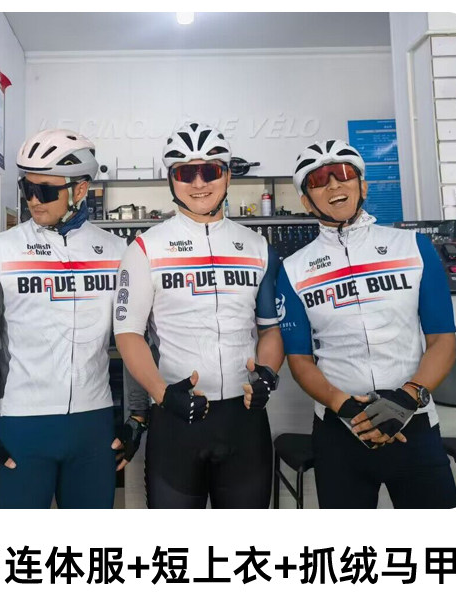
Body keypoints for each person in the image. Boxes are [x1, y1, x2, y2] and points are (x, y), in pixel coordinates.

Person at [0, 128, 148, 509]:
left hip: (93, 426)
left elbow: (133, 337)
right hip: (23, 426)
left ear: (80, 190)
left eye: (45, 191)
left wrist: (139, 415)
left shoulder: (118, 252)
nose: (33, 199)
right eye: (26, 188)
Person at [275, 138, 456, 508]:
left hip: (414, 422)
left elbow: (442, 340)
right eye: (318, 180)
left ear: (362, 185)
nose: (333, 184)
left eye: (343, 173)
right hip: (340, 429)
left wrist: (407, 398)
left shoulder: (414, 248)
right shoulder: (293, 269)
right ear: (306, 201)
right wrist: (344, 407)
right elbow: (300, 360)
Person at [113, 122, 284, 508]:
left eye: (209, 171)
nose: (199, 183)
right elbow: (128, 334)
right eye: (186, 173)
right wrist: (161, 394)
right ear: (171, 181)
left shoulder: (257, 247)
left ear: (227, 175)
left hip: (244, 419)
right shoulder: (145, 248)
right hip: (176, 418)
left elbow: (270, 330)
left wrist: (268, 376)